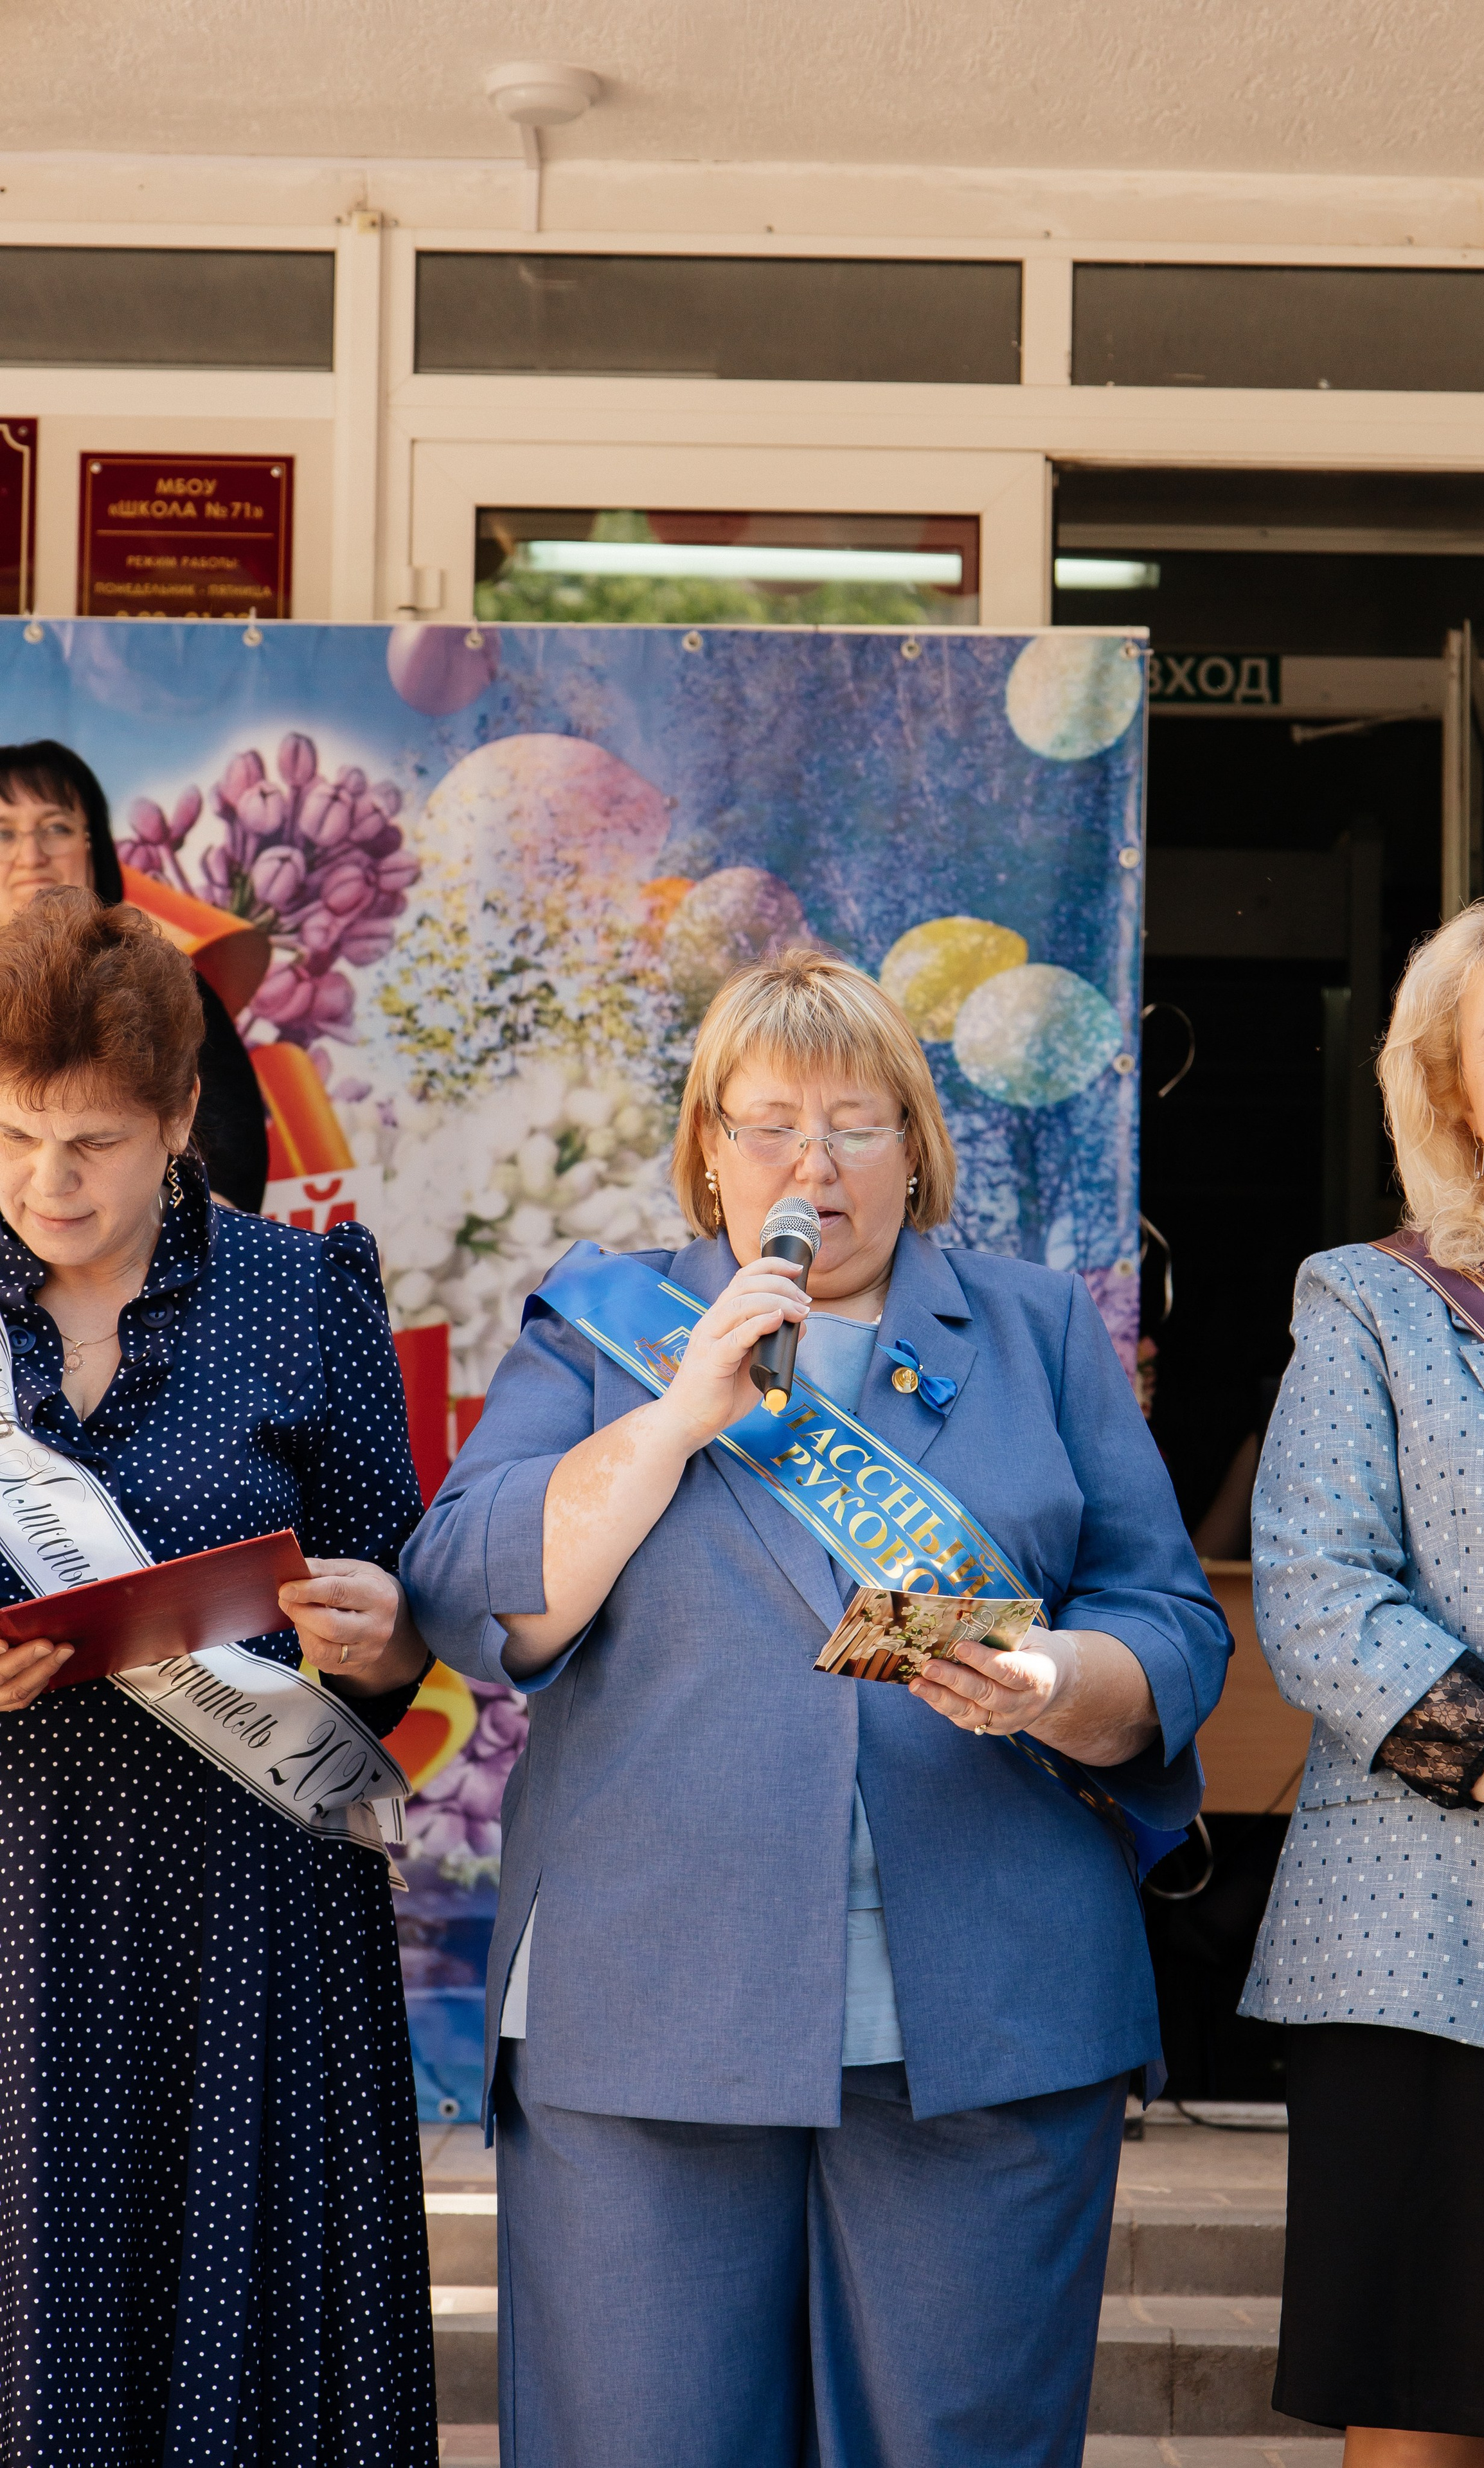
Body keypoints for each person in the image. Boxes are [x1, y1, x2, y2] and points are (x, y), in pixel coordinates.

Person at [402, 947, 1231, 2468]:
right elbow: (462, 1586)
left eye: (854, 1121)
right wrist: (669, 1423)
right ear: (705, 1146)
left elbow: (1169, 1627)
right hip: (641, 2011)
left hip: (984, 2019)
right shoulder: (603, 1331)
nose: (810, 1161)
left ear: (915, 1147)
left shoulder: (1038, 1327)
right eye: (768, 1121)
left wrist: (1056, 1686)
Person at [0, 888, 437, 2464]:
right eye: (18, 1134)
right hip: (23, 1910)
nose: (49, 1182)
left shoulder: (301, 1294)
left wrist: (379, 1630)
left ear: (184, 1115)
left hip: (255, 1907)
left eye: (96, 1143)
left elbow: (398, 1620)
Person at [1242, 884, 1484, 2462]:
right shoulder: (1371, 1305)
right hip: (1424, 1959)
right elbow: (1319, 1587)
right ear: (1452, 1092)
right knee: (1422, 2436)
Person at [0, 739, 268, 1210]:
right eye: (3, 833)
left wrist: (169, 1266)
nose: (31, 854)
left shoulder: (156, 985)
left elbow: (230, 1154)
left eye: (56, 827)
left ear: (93, 847)